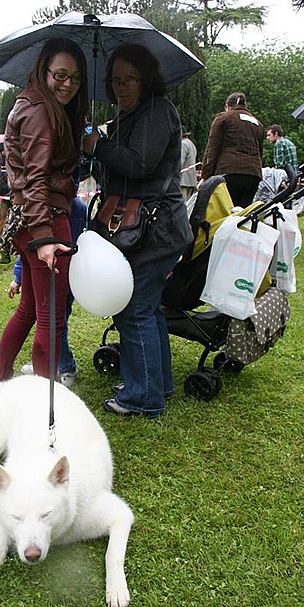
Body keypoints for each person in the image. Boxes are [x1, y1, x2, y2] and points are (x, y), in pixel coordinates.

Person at [83, 43, 193, 420]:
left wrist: (100, 145)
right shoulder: (129, 115)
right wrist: (98, 151)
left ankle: (143, 396)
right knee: (148, 309)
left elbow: (139, 164)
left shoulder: (158, 111)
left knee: (134, 309)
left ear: (147, 79)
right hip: (146, 227)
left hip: (155, 229)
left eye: (130, 79)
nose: (122, 87)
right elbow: (115, 175)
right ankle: (154, 383)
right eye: (115, 80)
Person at [0, 38, 88, 382]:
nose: (68, 84)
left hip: (28, 219)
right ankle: (44, 403)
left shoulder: (33, 104)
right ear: (43, 70)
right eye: (60, 75)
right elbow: (35, 178)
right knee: (51, 317)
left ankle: (0, 382)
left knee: (31, 310)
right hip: (45, 219)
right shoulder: (40, 112)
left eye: (76, 78)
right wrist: (45, 236)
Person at [11, 192, 87, 386]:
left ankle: (65, 367)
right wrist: (18, 277)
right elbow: (28, 252)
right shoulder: (42, 210)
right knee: (47, 320)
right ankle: (47, 367)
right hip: (48, 274)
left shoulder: (76, 209)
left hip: (68, 275)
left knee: (55, 323)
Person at [200, 92, 264, 208]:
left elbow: (212, 149)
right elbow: (260, 152)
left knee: (226, 214)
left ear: (228, 106)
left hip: (229, 172)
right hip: (254, 175)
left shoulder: (223, 118)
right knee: (242, 216)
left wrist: (205, 176)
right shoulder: (258, 124)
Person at [180, 126, 198, 201]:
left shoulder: (183, 144)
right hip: (191, 179)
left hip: (183, 180)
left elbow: (180, 162)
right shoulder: (191, 144)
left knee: (183, 203)